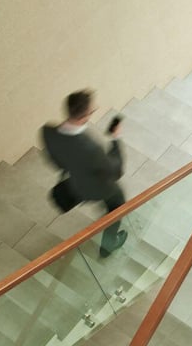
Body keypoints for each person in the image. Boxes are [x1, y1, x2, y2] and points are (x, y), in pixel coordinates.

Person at [42, 89, 128, 258]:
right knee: (118, 205)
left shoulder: (48, 131)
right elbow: (116, 171)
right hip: (94, 188)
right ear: (87, 115)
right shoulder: (90, 149)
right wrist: (116, 139)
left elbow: (55, 160)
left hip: (74, 181)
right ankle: (108, 246)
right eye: (92, 109)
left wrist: (74, 166)